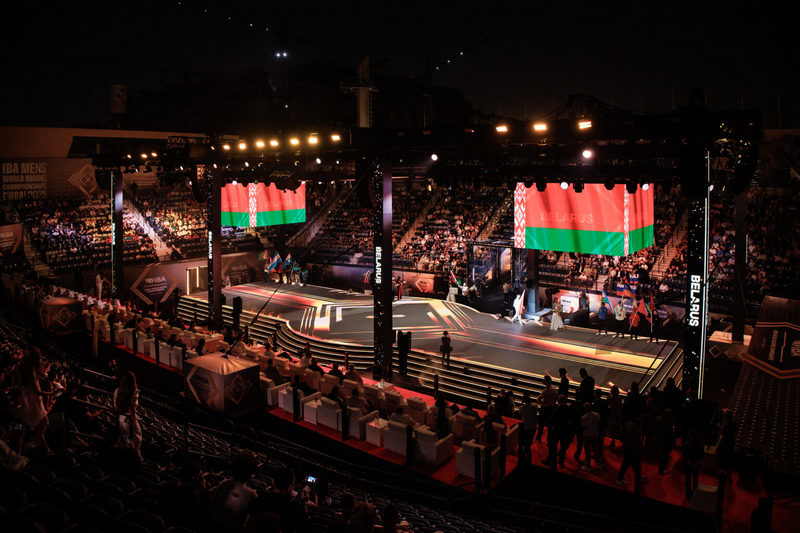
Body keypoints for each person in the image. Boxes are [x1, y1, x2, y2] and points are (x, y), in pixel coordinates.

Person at [114, 370, 143, 460]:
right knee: (134, 439)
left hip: (121, 418)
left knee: (126, 438)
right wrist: (133, 419)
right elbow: (132, 409)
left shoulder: (117, 391)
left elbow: (116, 407)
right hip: (128, 419)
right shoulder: (134, 392)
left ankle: (126, 456)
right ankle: (133, 458)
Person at [617, 418, 644, 495]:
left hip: (628, 452)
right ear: (639, 424)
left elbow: (623, 438)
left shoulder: (628, 427)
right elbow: (638, 445)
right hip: (634, 454)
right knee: (637, 471)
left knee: (625, 465)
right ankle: (637, 490)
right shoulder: (636, 432)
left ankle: (619, 478)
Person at [580, 402, 602, 470]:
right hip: (595, 434)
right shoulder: (597, 414)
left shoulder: (584, 417)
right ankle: (599, 463)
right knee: (596, 450)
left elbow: (583, 427)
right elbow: (599, 423)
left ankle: (588, 465)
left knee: (587, 451)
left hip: (587, 435)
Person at [683, 428, 704, 499]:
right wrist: (697, 463)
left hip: (688, 464)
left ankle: (688, 495)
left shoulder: (686, 444)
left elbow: (685, 455)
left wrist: (688, 461)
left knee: (688, 479)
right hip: (696, 463)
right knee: (695, 479)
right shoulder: (700, 444)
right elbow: (701, 455)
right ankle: (695, 494)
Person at [536, 374, 557, 442]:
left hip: (544, 408)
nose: (543, 381)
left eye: (544, 380)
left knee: (541, 424)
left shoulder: (545, 391)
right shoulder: (554, 390)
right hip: (551, 408)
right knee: (549, 425)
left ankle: (539, 436)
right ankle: (549, 439)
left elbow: (538, 399)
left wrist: (542, 403)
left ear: (546, 381)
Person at [519, 391, 537, 464]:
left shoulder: (522, 408)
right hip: (533, 426)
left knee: (525, 444)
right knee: (528, 443)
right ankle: (527, 457)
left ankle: (526, 457)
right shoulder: (535, 406)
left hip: (526, 427)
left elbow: (520, 413)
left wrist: (522, 403)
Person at [655, 408, 675, 474]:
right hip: (666, 443)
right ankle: (661, 470)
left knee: (662, 456)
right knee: (664, 457)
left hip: (659, 440)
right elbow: (671, 435)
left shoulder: (658, 419)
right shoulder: (669, 424)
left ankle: (661, 469)